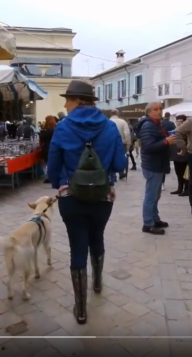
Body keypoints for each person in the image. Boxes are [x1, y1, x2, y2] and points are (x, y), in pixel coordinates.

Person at [47, 80, 126, 325]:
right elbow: (121, 164)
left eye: (67, 99)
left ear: (78, 101)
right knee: (97, 237)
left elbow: (53, 166)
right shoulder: (110, 127)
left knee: (77, 246)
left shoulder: (62, 127)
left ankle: (81, 309)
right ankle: (98, 282)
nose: (64, 104)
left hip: (71, 198)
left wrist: (59, 182)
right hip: (102, 197)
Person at [136, 102, 175, 235]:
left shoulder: (156, 124)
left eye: (160, 109)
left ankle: (154, 219)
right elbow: (148, 147)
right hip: (152, 165)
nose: (159, 112)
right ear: (149, 112)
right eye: (155, 109)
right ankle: (148, 224)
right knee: (151, 196)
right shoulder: (148, 125)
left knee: (156, 194)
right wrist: (166, 142)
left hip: (157, 164)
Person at [109, 109, 131, 179]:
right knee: (121, 157)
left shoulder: (107, 122)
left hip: (110, 142)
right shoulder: (123, 122)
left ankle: (112, 174)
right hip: (121, 143)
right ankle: (121, 172)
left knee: (110, 157)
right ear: (118, 114)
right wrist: (128, 144)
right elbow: (127, 134)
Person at [170, 114, 189, 196]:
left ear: (184, 122)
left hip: (186, 155)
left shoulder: (188, 131)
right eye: (177, 121)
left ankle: (187, 189)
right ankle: (180, 188)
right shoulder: (174, 130)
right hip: (176, 154)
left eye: (180, 121)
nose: (178, 123)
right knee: (178, 172)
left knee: (186, 173)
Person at [39, 115, 56, 184]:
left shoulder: (48, 130)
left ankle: (49, 177)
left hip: (47, 147)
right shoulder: (55, 128)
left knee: (45, 162)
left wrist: (41, 132)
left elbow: (42, 137)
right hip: (53, 146)